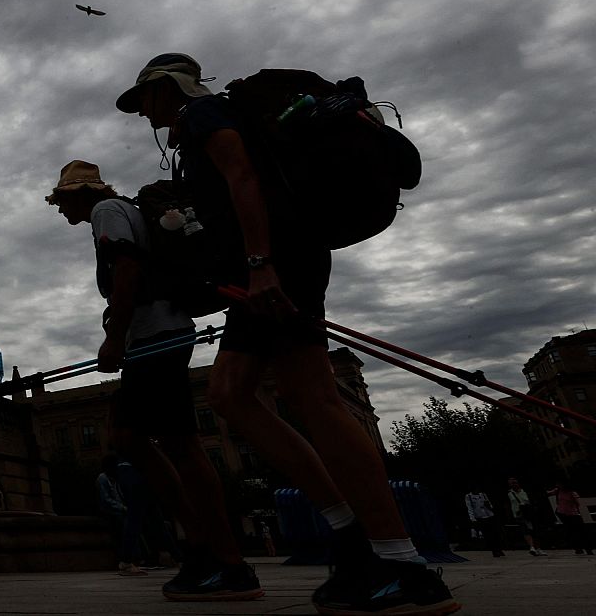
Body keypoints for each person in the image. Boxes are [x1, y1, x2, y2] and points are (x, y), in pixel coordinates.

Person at [116, 54, 458, 616]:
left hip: (277, 266)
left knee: (314, 395)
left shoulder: (204, 113)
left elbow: (243, 175)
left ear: (165, 89)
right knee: (229, 394)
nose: (142, 113)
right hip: (266, 269)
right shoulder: (199, 128)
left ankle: (402, 564)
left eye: (144, 99)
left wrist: (259, 262)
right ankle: (348, 533)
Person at [49, 160, 261, 601]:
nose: (60, 208)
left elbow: (126, 271)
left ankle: (222, 558)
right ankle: (204, 547)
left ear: (78, 194)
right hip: (160, 333)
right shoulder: (121, 209)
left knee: (177, 442)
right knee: (129, 437)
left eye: (62, 199)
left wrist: (113, 338)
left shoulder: (106, 211)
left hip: (156, 335)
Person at [97, 452, 145, 575]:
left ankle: (137, 558)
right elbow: (106, 500)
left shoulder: (116, 478)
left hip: (120, 509)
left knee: (133, 523)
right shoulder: (103, 478)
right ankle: (131, 559)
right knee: (126, 525)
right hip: (111, 511)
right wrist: (123, 508)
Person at [506, 477, 547, 555]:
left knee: (535, 531)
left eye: (515, 482)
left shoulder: (525, 492)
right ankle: (532, 547)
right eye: (511, 483)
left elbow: (532, 501)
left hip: (530, 514)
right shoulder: (509, 493)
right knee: (526, 531)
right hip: (519, 515)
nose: (513, 484)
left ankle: (538, 548)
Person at [463, 485, 504, 557]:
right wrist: (472, 519)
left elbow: (490, 505)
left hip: (489, 515)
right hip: (480, 517)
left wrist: (489, 506)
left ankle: (499, 549)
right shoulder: (468, 496)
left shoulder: (483, 494)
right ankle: (494, 551)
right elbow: (470, 508)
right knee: (489, 535)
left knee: (495, 533)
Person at [550, 483, 589, 555]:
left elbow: (578, 503)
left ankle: (587, 548)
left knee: (579, 531)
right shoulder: (558, 491)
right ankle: (577, 548)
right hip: (562, 513)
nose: (558, 486)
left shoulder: (572, 493)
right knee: (570, 531)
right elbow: (549, 493)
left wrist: (573, 506)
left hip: (573, 514)